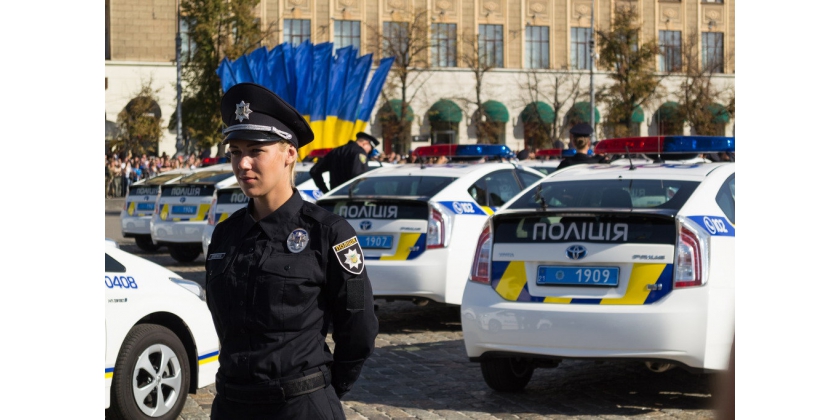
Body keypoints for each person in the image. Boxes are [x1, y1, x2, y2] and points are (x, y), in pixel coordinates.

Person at [206, 82, 379, 419]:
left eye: (256, 150)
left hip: (299, 407)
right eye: (235, 151)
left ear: (289, 154)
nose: (242, 164)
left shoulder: (331, 234)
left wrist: (322, 388)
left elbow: (359, 324)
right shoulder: (226, 235)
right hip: (232, 406)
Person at [309, 132, 380, 193]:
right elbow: (359, 176)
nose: (368, 153)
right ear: (365, 143)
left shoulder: (336, 151)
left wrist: (326, 191)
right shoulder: (360, 152)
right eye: (370, 150)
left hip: (336, 197)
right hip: (353, 198)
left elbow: (314, 171)